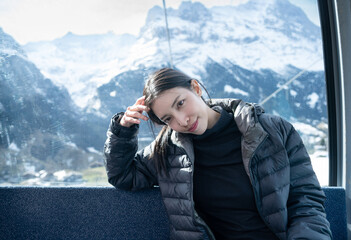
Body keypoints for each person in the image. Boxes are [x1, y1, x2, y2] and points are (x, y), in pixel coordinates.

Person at [104, 68, 332, 240]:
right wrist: (123, 129)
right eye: (168, 119)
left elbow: (305, 200)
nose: (182, 120)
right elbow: (123, 175)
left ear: (196, 88)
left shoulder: (273, 131)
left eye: (181, 103)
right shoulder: (168, 149)